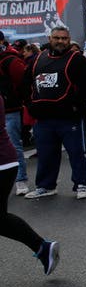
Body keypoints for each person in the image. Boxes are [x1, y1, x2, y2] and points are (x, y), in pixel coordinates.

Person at [23, 26, 86, 200]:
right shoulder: (37, 59)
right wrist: (31, 106)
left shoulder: (78, 60)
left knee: (77, 154)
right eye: (57, 38)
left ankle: (82, 184)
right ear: (50, 38)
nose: (60, 41)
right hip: (43, 119)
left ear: (69, 40)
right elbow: (25, 85)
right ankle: (46, 186)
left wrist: (72, 106)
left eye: (64, 38)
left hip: (69, 118)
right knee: (46, 155)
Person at [0, 96, 59, 274]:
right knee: (1, 220)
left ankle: (42, 247)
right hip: (5, 162)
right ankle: (43, 248)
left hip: (2, 164)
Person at [0, 32, 30, 196]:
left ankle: (21, 180)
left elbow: (23, 82)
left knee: (13, 145)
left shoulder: (11, 60)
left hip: (10, 110)